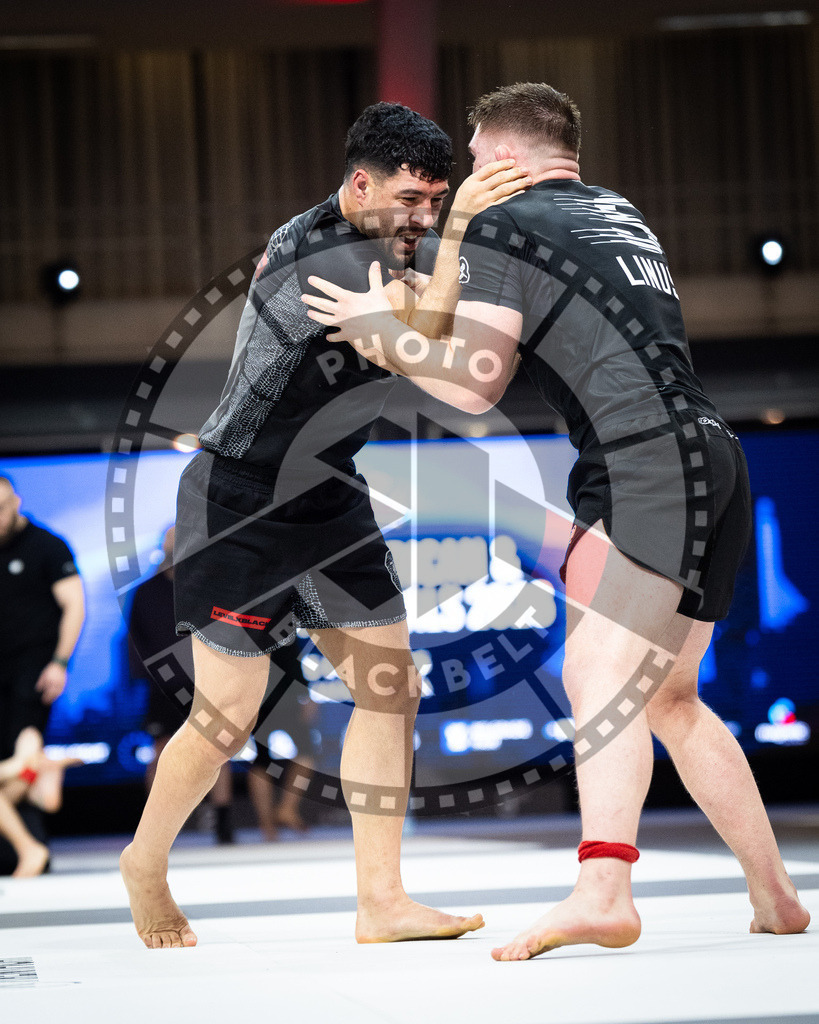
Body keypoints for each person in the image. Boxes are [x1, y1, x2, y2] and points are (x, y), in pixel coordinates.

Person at [303, 83, 811, 959]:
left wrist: (377, 330)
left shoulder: (510, 220)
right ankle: (775, 897)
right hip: (710, 451)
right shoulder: (617, 211)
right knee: (671, 697)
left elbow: (471, 383)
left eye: (468, 163)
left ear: (499, 161)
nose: (462, 181)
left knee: (598, 676)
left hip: (643, 461)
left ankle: (602, 891)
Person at [119, 101, 530, 949]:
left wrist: (441, 246)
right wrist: (459, 239)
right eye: (413, 200)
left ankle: (381, 902)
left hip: (329, 495)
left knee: (391, 689)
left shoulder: (378, 246)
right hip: (239, 498)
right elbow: (412, 341)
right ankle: (145, 861)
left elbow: (429, 318)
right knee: (225, 718)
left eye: (436, 200)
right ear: (359, 184)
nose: (424, 216)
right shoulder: (325, 256)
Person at [0, 474, 85, 876]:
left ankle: (28, 845)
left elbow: (75, 606)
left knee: (18, 751)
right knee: (15, 765)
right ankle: (36, 773)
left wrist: (60, 662)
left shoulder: (47, 546)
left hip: (32, 671)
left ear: (15, 501)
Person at [128, 526, 235, 844]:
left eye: (179, 538)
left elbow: (224, 633)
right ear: (162, 545)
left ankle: (223, 824)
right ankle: (154, 829)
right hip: (162, 686)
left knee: (216, 750)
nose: (173, 545)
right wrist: (150, 676)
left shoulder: (209, 587)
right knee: (161, 751)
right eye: (168, 539)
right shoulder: (146, 591)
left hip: (206, 682)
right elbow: (136, 641)